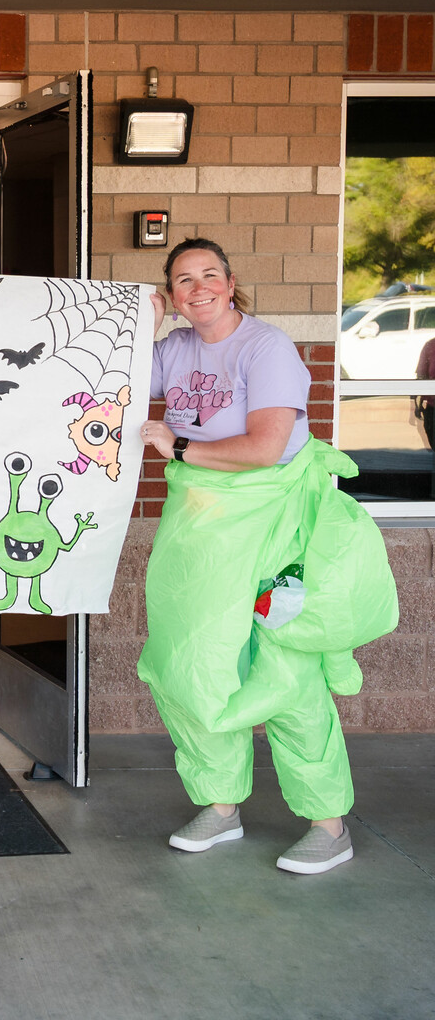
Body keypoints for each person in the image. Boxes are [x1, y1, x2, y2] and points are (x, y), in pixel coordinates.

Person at [137, 237, 397, 876]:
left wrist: (178, 447)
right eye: (182, 280)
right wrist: (145, 321)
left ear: (231, 283)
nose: (198, 288)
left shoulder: (267, 347)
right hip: (201, 528)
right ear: (173, 294)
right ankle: (220, 805)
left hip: (276, 522)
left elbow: (265, 447)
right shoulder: (174, 349)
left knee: (285, 666)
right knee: (195, 661)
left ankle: (328, 823)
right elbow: (107, 383)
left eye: (209, 275)